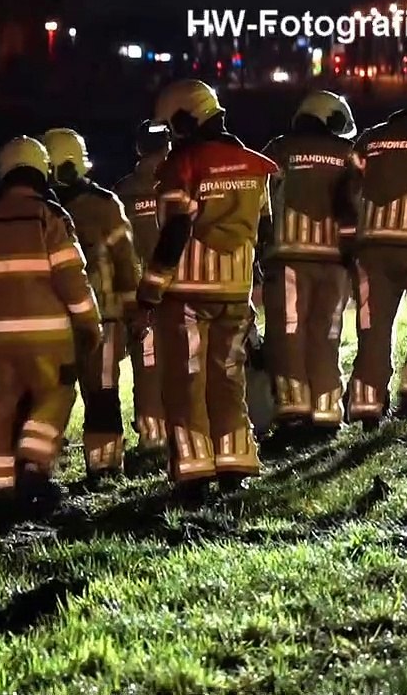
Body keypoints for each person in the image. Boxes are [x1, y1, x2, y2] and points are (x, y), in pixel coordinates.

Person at [135, 79, 278, 500]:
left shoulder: (181, 167)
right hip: (236, 293)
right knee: (228, 379)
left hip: (186, 297)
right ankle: (234, 464)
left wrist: (149, 292)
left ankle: (195, 474)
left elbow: (175, 232)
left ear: (185, 119)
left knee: (186, 384)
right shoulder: (254, 165)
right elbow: (265, 232)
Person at [0, 136, 102, 525]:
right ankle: (35, 473)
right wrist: (89, 323)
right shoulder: (47, 217)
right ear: (43, 173)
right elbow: (72, 276)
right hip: (47, 337)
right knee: (54, 396)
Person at [258, 91, 361, 448]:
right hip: (335, 265)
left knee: (287, 336)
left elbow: (261, 202)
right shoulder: (348, 155)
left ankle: (294, 414)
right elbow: (356, 207)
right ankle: (328, 414)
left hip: (287, 260)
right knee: (326, 337)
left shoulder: (279, 149)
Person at [44, 128, 141, 484]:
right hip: (103, 320)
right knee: (101, 396)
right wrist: (134, 312)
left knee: (61, 398)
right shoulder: (105, 204)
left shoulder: (45, 212)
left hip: (68, 323)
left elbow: (125, 262)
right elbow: (126, 262)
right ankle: (105, 469)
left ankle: (42, 471)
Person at [346, 87, 407, 426]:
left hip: (370, 247)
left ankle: (365, 407)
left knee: (372, 328)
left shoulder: (371, 137)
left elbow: (348, 187)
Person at [114, 120, 172, 454]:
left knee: (147, 367)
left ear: (138, 149)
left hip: (140, 299)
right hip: (181, 292)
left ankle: (152, 436)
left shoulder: (121, 193)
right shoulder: (182, 183)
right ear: (168, 145)